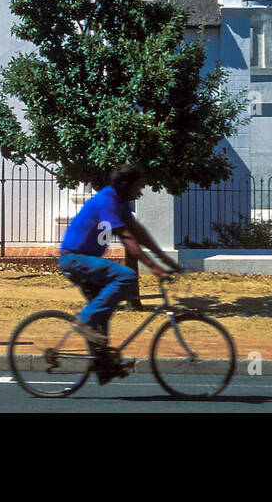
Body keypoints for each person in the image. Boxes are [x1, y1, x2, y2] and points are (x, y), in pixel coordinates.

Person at [57, 164, 182, 383]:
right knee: (125, 276)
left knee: (103, 311)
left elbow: (138, 232)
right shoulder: (106, 201)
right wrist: (153, 267)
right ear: (125, 186)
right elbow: (128, 238)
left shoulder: (119, 203)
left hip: (87, 260)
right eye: (138, 187)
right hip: (75, 259)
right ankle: (83, 322)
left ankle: (103, 367)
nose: (140, 192)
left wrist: (164, 258)